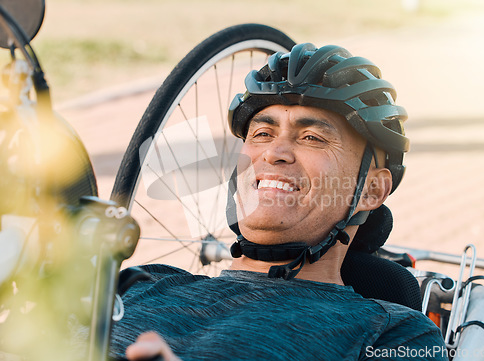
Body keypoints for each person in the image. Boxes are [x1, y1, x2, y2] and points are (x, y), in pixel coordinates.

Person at [109, 43, 448, 360]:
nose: (274, 153)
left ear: (371, 191)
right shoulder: (143, 283)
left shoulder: (396, 335)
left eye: (312, 137)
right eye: (262, 134)